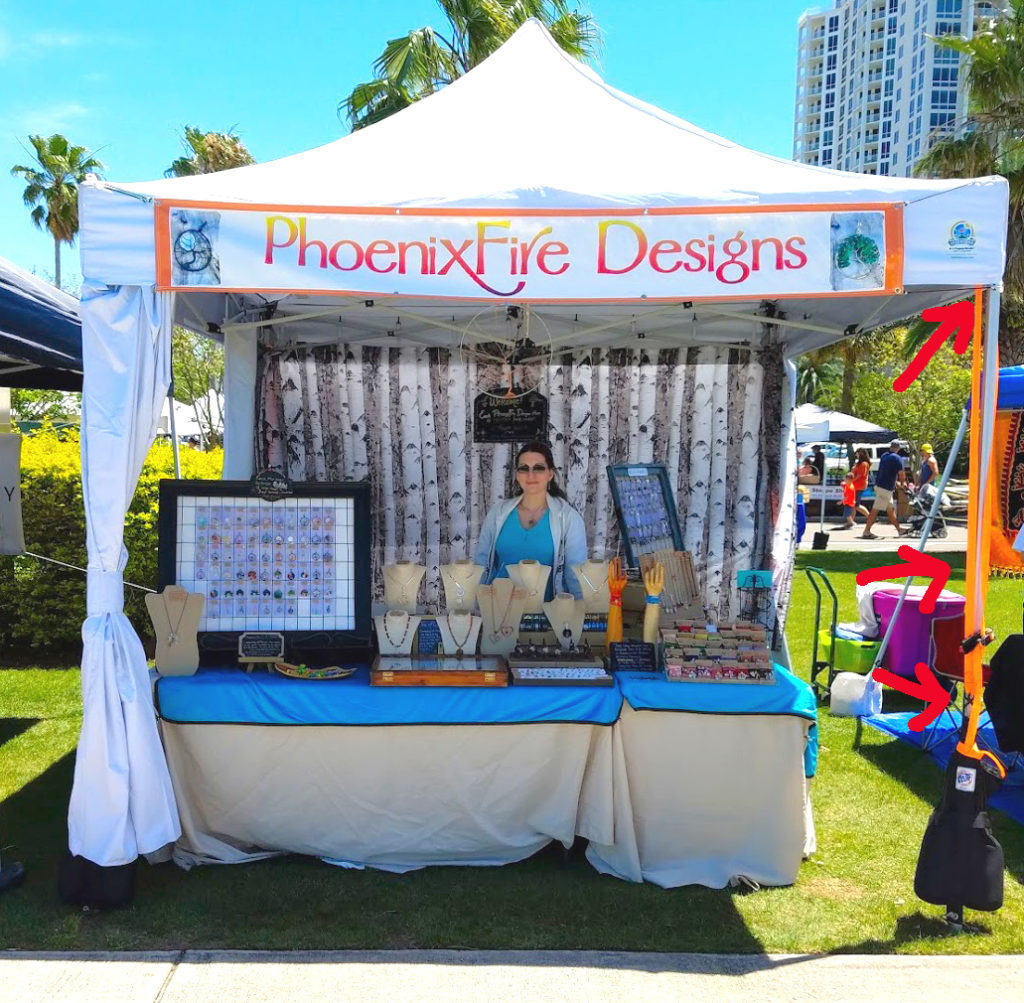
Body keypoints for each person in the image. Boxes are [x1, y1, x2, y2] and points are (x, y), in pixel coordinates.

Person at [473, 441, 588, 600]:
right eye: (524, 468)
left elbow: (575, 576)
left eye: (539, 468)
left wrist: (580, 615)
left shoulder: (568, 518)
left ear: (550, 474)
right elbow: (481, 566)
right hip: (499, 613)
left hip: (547, 618)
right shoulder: (498, 513)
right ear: (516, 474)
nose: (531, 475)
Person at [862, 439, 906, 539]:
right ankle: (866, 531)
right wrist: (902, 484)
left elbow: (887, 471)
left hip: (880, 485)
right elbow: (901, 474)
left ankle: (899, 530)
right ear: (898, 448)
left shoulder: (884, 456)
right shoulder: (897, 458)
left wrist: (895, 482)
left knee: (890, 510)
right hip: (885, 488)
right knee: (875, 510)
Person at [851, 448, 871, 518]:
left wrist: (851, 480)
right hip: (855, 486)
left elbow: (860, 475)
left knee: (856, 505)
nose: (856, 454)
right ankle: (851, 521)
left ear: (861, 454)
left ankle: (870, 517)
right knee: (853, 504)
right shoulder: (858, 463)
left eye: (857, 453)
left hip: (859, 486)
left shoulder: (864, 464)